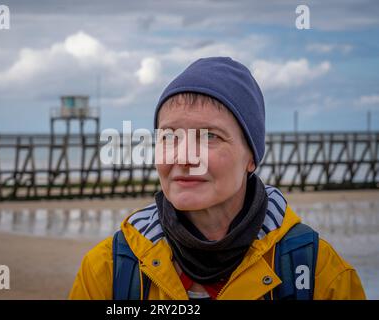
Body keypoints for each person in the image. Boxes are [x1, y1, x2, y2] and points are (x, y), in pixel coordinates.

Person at [68, 57, 366, 300]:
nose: (184, 157)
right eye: (169, 136)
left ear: (251, 157)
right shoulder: (111, 270)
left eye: (209, 136)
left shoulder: (315, 271)